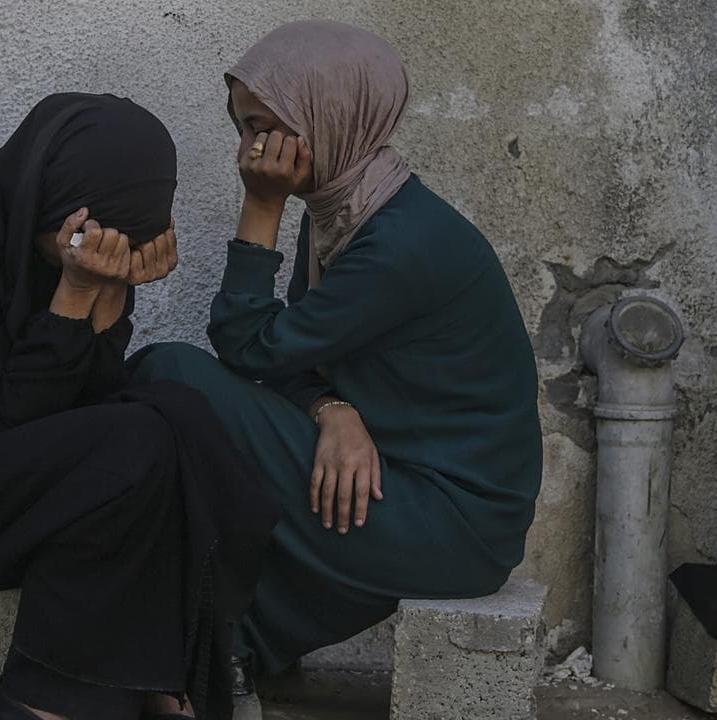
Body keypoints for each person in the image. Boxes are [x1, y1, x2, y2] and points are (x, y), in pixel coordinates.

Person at [130, 21, 543, 692]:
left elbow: (248, 346)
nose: (249, 151)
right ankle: (232, 646)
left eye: (263, 128)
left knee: (169, 373)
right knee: (188, 402)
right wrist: (334, 409)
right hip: (406, 488)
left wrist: (259, 207)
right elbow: (294, 363)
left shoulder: (398, 244)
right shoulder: (345, 214)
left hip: (451, 523)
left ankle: (224, 640)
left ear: (330, 115)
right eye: (241, 129)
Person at [0, 93, 278, 720]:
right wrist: (75, 290)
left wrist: (109, 292)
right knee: (133, 440)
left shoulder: (80, 254)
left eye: (115, 247)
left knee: (183, 415)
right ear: (50, 196)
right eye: (84, 242)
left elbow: (84, 403)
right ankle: (46, 702)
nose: (93, 254)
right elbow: (1, 416)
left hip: (11, 490)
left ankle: (178, 669)